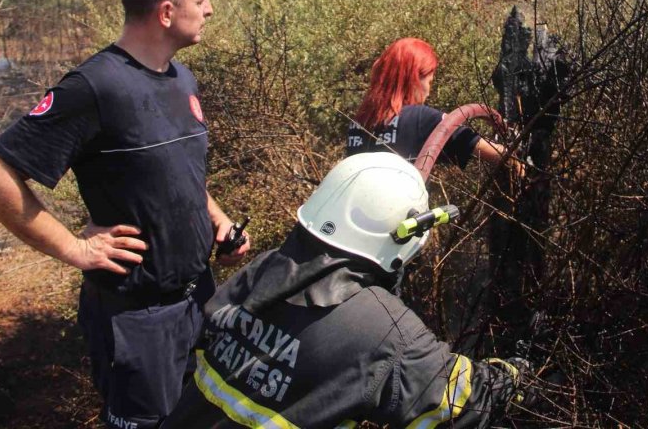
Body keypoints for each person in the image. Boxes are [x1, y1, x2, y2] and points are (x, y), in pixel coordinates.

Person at [0, 0, 250, 429]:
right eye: (202, 0)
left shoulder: (180, 77)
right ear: (167, 12)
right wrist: (73, 247)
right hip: (138, 320)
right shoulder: (94, 87)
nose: (209, 10)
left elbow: (178, 173)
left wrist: (218, 221)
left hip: (198, 301)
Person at [163, 152, 536, 428]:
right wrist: (518, 373)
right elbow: (465, 400)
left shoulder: (265, 267)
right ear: (403, 236)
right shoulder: (385, 331)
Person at [346, 37, 521, 173]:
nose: (429, 91)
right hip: (402, 218)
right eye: (429, 82)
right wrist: (518, 155)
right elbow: (495, 154)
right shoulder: (422, 118)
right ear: (414, 79)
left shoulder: (357, 123)